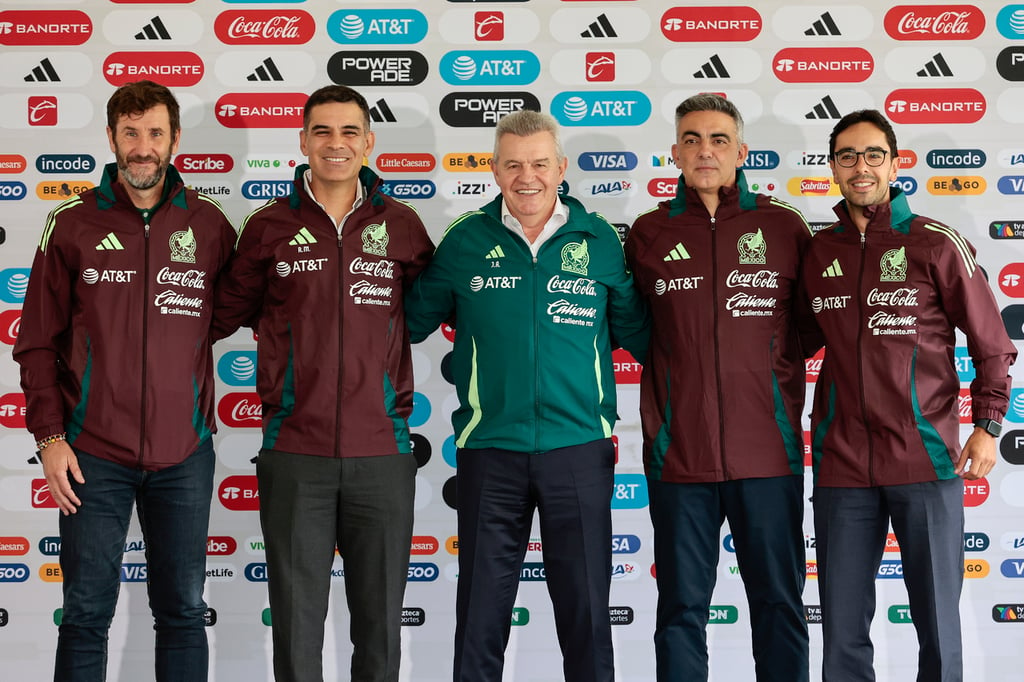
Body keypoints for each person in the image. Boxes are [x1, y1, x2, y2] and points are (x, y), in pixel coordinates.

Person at [405, 108, 648, 682]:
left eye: (540, 163)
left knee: (587, 611)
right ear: (495, 169)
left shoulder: (600, 241)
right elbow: (406, 321)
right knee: (481, 612)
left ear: (561, 167)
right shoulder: (465, 240)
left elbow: (642, 334)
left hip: (579, 449)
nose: (527, 176)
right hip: (490, 450)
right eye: (513, 165)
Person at [12, 80, 237, 682]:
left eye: (155, 134)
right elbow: (34, 343)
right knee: (85, 614)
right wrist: (49, 438)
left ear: (175, 139)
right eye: (131, 134)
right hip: (91, 454)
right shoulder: (70, 224)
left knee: (184, 612)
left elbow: (228, 313)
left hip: (185, 453)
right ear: (111, 138)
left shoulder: (211, 226)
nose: (143, 148)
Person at [212, 84, 434, 682]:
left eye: (348, 132)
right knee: (296, 628)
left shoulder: (403, 226)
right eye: (323, 131)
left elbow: (449, 307)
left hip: (383, 455)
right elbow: (210, 317)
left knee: (380, 631)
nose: (336, 144)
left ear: (368, 141)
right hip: (294, 455)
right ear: (303, 140)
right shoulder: (267, 227)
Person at [800, 109, 1017, 681]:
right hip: (842, 462)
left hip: (923, 456)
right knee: (842, 627)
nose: (861, 166)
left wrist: (988, 424)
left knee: (937, 621)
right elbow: (786, 342)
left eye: (873, 154)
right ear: (833, 168)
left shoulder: (936, 243)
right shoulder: (819, 252)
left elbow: (992, 343)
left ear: (895, 163)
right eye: (848, 156)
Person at [623, 93, 811, 682]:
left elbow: (808, 327)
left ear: (741, 151)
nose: (705, 151)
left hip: (768, 456)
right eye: (693, 139)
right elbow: (635, 331)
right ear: (675, 151)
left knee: (779, 605)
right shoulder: (649, 234)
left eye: (719, 139)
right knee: (680, 610)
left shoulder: (784, 226)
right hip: (681, 458)